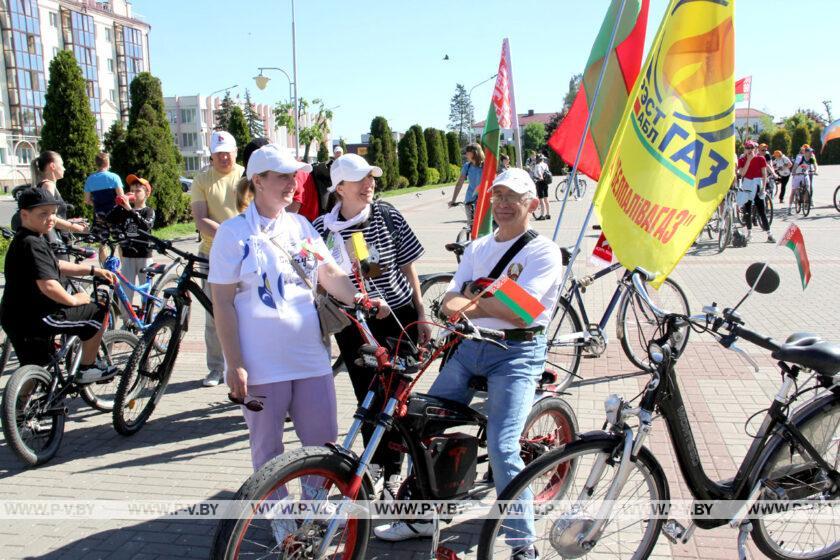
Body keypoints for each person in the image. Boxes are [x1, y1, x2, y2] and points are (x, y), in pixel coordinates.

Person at [374, 169, 562, 560]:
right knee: (421, 426)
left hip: (517, 353)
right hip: (469, 347)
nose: (504, 204)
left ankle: (522, 544)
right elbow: (447, 301)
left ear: (531, 202)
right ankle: (421, 516)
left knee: (502, 447)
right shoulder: (477, 248)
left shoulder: (543, 251)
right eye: (498, 197)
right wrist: (485, 301)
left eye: (514, 197)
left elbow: (522, 313)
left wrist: (473, 297)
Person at [208, 146, 388, 541]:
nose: (293, 184)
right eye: (283, 176)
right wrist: (233, 362)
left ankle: (311, 519)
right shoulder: (234, 233)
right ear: (257, 181)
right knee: (268, 453)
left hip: (310, 359)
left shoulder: (302, 227)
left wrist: (356, 297)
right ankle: (285, 529)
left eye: (295, 176)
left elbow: (329, 273)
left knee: (323, 445)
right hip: (261, 365)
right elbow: (221, 302)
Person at [312, 153, 430, 489]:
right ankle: (374, 463)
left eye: (371, 178)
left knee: (395, 396)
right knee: (366, 393)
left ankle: (395, 468)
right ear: (339, 188)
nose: (369, 185)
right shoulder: (323, 229)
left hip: (396, 316)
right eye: (360, 179)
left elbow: (409, 267)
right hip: (354, 323)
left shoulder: (387, 215)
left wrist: (421, 312)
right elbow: (319, 279)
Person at [0, 188, 118, 379]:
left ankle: (20, 406)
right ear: (24, 214)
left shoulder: (26, 239)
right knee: (97, 312)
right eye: (43, 213)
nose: (51, 218)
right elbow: (48, 285)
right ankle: (88, 368)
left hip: (13, 317)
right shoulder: (33, 243)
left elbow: (57, 265)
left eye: (54, 213)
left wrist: (93, 270)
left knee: (36, 366)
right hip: (39, 316)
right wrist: (74, 300)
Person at [191, 130, 244, 387]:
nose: (224, 158)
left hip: (246, 254)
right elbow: (200, 218)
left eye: (228, 153)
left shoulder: (246, 176)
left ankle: (246, 365)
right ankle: (215, 368)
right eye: (218, 154)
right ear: (211, 155)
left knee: (246, 313)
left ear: (235, 152)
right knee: (214, 314)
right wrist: (228, 237)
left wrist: (240, 240)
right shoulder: (202, 179)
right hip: (211, 254)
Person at [17, 151, 88, 244]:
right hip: (52, 241)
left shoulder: (48, 184)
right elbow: (47, 217)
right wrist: (77, 228)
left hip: (53, 238)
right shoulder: (48, 185)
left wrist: (71, 221)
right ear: (52, 166)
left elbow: (51, 215)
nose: (64, 168)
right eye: (62, 165)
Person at [117, 175, 155, 305]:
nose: (133, 193)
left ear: (147, 194)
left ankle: (146, 318)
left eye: (137, 190)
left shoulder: (148, 211)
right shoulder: (125, 210)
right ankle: (127, 319)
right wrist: (120, 205)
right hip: (128, 255)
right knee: (125, 290)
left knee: (146, 290)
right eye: (131, 190)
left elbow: (146, 225)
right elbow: (110, 219)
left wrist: (130, 209)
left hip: (144, 255)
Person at [84, 152, 124, 262]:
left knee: (102, 242)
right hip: (115, 213)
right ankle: (124, 268)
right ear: (108, 163)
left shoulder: (90, 179)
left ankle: (104, 271)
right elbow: (121, 197)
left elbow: (86, 200)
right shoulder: (114, 177)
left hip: (99, 214)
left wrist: (97, 204)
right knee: (121, 241)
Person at [736, 140, 774, 243]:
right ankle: (749, 232)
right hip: (747, 184)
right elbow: (742, 173)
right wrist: (748, 160)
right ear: (744, 149)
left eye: (751, 148)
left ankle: (769, 234)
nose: (749, 150)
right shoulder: (742, 160)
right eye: (747, 148)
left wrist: (764, 187)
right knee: (747, 211)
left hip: (757, 184)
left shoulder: (761, 159)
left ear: (755, 149)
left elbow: (764, 173)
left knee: (761, 210)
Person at [449, 143, 484, 224]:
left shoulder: (485, 166)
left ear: (474, 153)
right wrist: (453, 200)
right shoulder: (467, 166)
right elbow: (459, 183)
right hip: (470, 201)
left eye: (467, 152)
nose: (466, 154)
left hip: (483, 201)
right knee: (471, 224)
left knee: (482, 226)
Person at [789, 144, 819, 213]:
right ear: (805, 152)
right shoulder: (800, 157)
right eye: (809, 152)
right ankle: (790, 207)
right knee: (794, 190)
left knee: (807, 187)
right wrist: (793, 172)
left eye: (811, 152)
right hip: (797, 174)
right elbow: (795, 166)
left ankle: (806, 202)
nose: (811, 153)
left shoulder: (811, 158)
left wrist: (816, 171)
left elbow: (815, 165)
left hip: (805, 173)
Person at [530, 154, 551, 220]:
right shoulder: (545, 164)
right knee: (546, 199)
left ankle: (542, 215)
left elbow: (539, 172)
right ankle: (548, 214)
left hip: (540, 182)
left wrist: (540, 177)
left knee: (541, 200)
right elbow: (547, 172)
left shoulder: (537, 165)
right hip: (545, 183)